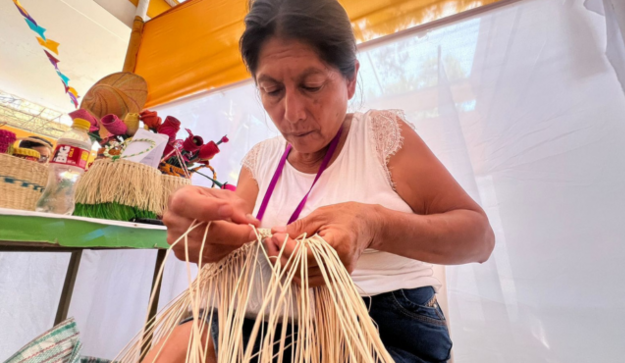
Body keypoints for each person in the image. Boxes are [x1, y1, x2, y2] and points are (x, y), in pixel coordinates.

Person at [158, 0, 495, 362]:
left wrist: (374, 225)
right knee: (181, 344)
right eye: (272, 91)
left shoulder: (380, 137)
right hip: (266, 318)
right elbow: (232, 223)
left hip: (380, 325)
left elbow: (479, 239)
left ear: (350, 80)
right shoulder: (261, 160)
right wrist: (203, 232)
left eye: (312, 85)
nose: (292, 113)